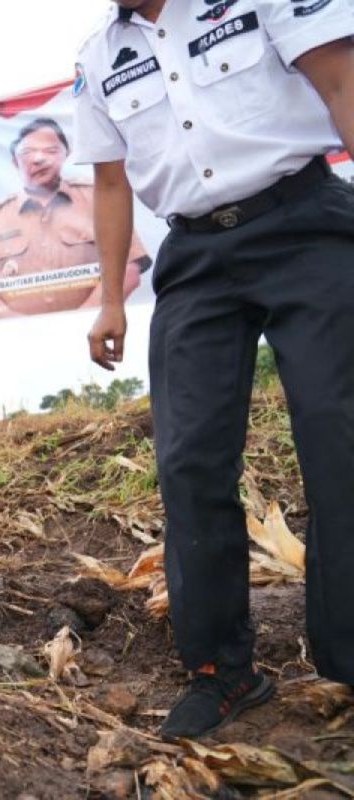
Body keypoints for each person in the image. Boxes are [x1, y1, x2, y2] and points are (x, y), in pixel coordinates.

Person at [76, 0, 354, 739]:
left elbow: (341, 82)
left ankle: (350, 657)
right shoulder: (99, 57)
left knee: (339, 437)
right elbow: (111, 183)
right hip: (195, 257)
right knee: (189, 462)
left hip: (307, 224)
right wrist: (111, 299)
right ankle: (221, 672)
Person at [0, 118, 151, 320]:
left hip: (95, 331)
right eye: (28, 152)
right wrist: (25, 329)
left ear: (65, 155)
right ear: (15, 161)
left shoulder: (98, 201)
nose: (39, 159)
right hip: (17, 341)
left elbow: (129, 269)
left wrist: (83, 320)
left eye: (50, 151)